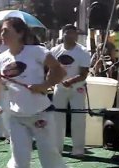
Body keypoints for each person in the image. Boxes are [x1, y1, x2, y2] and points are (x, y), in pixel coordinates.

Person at [0, 17, 67, 168]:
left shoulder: (37, 51)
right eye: (1, 32)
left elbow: (60, 70)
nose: (2, 35)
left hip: (41, 114)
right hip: (16, 117)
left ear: (20, 33)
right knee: (19, 161)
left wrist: (45, 85)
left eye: (6, 31)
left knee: (50, 158)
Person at [51, 24, 91, 157]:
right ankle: (57, 149)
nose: (71, 36)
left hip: (77, 88)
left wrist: (70, 81)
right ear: (63, 34)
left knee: (78, 119)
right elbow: (51, 70)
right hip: (60, 88)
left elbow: (84, 74)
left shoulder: (83, 51)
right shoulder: (55, 51)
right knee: (57, 118)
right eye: (68, 33)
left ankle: (78, 150)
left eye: (74, 33)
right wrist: (52, 80)